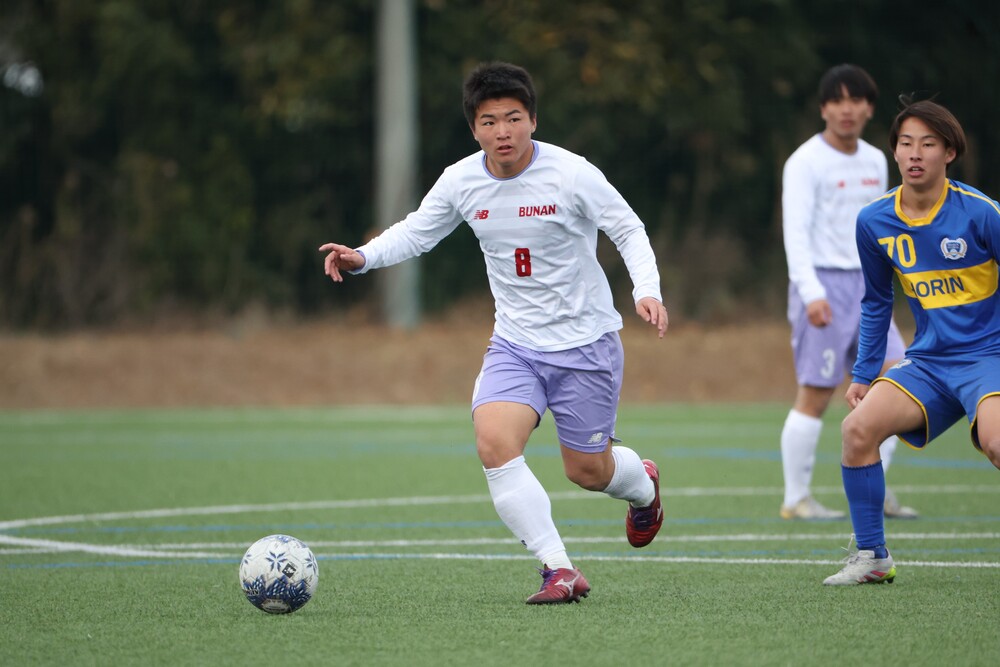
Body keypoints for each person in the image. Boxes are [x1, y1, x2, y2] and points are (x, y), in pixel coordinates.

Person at [319, 62, 668, 604]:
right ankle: (558, 569)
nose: (502, 131)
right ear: (474, 128)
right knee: (494, 444)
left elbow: (627, 227)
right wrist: (362, 256)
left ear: (532, 120)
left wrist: (647, 289)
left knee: (588, 471)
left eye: (512, 118)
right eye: (489, 121)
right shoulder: (461, 180)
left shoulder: (572, 173)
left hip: (586, 345)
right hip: (516, 345)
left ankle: (643, 485)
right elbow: (417, 231)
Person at [823, 98, 1000, 585]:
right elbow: (877, 303)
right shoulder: (874, 221)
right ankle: (872, 558)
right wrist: (863, 374)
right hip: (929, 363)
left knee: (997, 442)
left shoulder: (983, 214)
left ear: (950, 153)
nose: (915, 153)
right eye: (905, 144)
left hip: (989, 358)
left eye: (928, 144)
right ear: (895, 153)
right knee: (857, 431)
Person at [779, 64, 918, 521]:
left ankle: (878, 492)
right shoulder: (805, 161)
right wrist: (811, 291)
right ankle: (796, 499)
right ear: (823, 108)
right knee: (816, 392)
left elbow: (880, 229)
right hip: (821, 283)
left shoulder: (878, 159)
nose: (846, 108)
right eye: (836, 100)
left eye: (856, 99)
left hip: (869, 288)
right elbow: (794, 232)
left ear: (869, 108)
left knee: (897, 381)